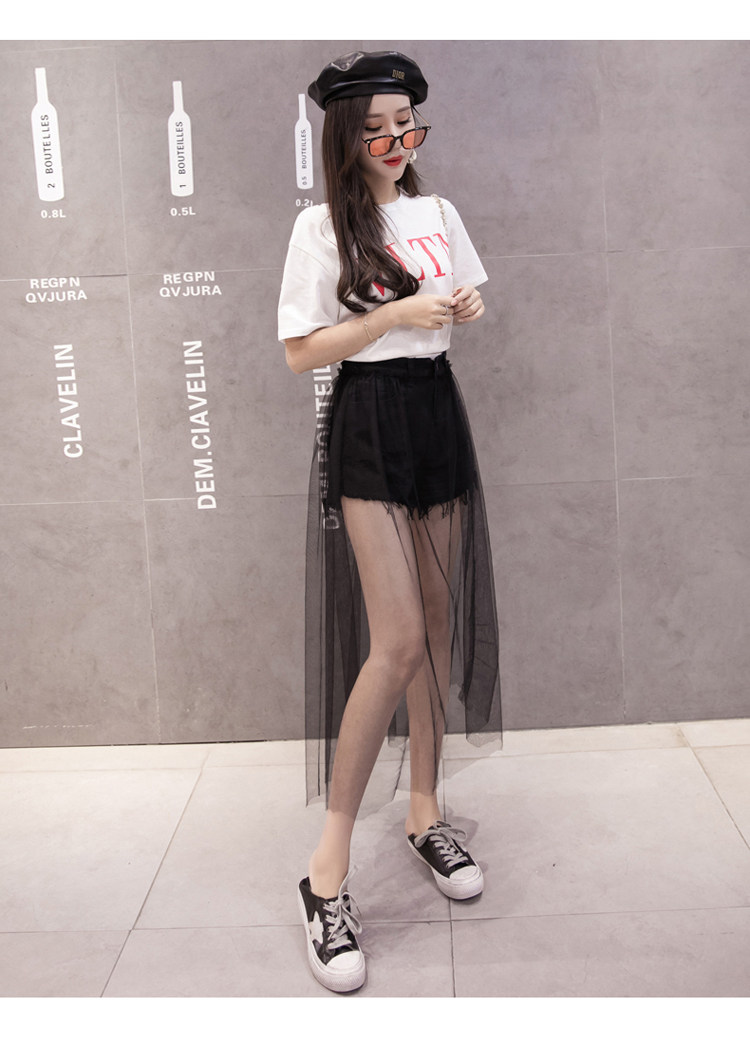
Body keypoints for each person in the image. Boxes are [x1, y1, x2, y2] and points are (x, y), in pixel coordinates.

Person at [277, 50, 502, 993]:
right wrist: (393, 314)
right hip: (369, 417)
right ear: (347, 136)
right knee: (398, 639)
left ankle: (424, 812)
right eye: (377, 129)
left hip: (435, 407)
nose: (396, 141)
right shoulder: (321, 225)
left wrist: (461, 306)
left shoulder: (436, 212)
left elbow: (460, 304)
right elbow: (302, 351)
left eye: (407, 125)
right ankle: (325, 875)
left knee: (438, 626)